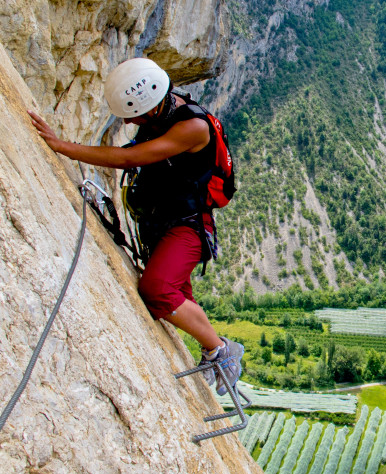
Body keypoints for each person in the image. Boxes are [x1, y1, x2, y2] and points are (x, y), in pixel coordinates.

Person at [28, 58, 242, 395]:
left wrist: (62, 147)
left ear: (149, 108)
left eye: (132, 116)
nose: (128, 121)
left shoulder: (193, 127)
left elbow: (130, 158)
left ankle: (221, 350)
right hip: (162, 221)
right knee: (177, 295)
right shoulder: (165, 111)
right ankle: (212, 347)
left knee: (158, 290)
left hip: (188, 226)